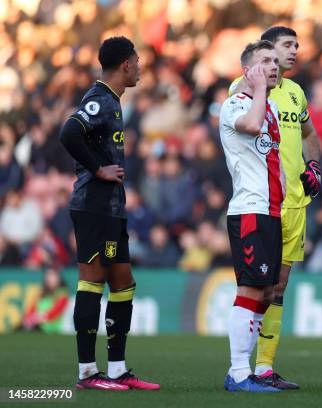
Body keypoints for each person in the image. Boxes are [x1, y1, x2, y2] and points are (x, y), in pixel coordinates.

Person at [59, 36, 159, 391]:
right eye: (138, 60)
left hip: (112, 210)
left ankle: (117, 369)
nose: (141, 67)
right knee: (92, 282)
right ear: (126, 65)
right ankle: (87, 372)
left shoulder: (113, 103)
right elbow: (69, 133)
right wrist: (99, 168)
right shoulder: (100, 100)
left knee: (123, 283)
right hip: (93, 208)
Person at [229, 25, 322, 390]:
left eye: (296, 45)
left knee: (278, 287)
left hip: (294, 203)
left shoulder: (297, 94)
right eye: (286, 46)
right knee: (257, 286)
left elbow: (311, 134)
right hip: (260, 202)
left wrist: (312, 165)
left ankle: (264, 367)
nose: (294, 51)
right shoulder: (243, 92)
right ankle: (241, 366)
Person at [220, 40, 284, 393]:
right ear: (247, 71)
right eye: (264, 62)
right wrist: (259, 89)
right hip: (249, 209)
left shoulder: (269, 107)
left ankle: (250, 371)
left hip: (271, 211)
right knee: (249, 289)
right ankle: (239, 372)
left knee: (267, 292)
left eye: (275, 61)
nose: (273, 66)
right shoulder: (235, 105)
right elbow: (250, 126)